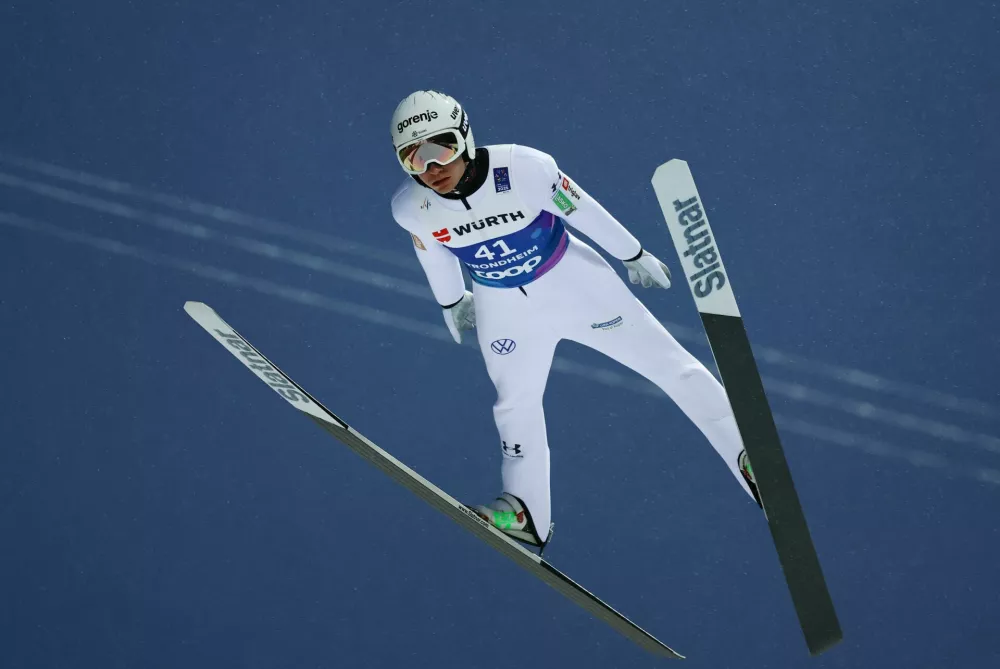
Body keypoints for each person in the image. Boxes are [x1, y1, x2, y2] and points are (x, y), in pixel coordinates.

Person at [389, 90, 760, 550]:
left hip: (575, 284)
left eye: (438, 148)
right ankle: (526, 510)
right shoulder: (412, 208)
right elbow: (434, 256)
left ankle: (749, 455)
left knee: (670, 365)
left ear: (464, 136)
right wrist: (450, 302)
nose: (431, 168)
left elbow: (580, 207)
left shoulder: (523, 167)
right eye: (413, 158)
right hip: (503, 307)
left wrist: (632, 252)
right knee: (513, 403)